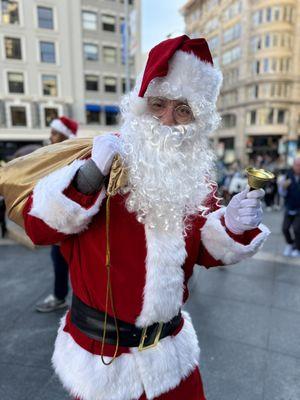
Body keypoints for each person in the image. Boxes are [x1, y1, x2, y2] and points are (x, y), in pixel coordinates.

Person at [22, 36, 269, 400]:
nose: (167, 120)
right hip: (101, 364)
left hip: (171, 361)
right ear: (139, 106)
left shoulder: (195, 176)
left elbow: (204, 251)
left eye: (183, 109)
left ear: (198, 119)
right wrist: (90, 177)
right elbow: (37, 228)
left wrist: (231, 225)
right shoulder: (99, 160)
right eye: (157, 105)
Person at [35, 116, 79, 312]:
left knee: (81, 266)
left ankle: (85, 304)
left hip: (73, 222)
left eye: (54, 133)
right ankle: (60, 297)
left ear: (63, 135)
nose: (50, 136)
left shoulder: (73, 157)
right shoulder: (52, 157)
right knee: (59, 262)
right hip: (58, 222)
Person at [279, 157, 300, 257]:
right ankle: (290, 244)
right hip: (289, 206)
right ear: (293, 166)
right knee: (285, 228)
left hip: (299, 208)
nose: (298, 167)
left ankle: (297, 248)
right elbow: (282, 193)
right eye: (297, 165)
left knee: (297, 229)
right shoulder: (287, 175)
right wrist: (283, 187)